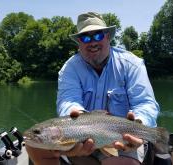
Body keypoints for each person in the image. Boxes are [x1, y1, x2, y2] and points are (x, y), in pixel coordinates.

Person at [26, 12, 160, 165]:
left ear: (108, 37)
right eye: (85, 37)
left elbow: (145, 103)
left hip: (124, 137)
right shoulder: (69, 69)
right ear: (79, 43)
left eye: (97, 36)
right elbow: (68, 101)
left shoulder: (132, 64)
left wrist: (138, 124)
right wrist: (78, 122)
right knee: (33, 145)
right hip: (81, 139)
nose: (92, 42)